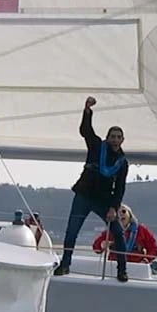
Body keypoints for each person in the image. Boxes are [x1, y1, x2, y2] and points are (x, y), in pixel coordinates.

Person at [57, 96, 130, 282]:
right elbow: (85, 131)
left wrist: (114, 207)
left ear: (122, 140)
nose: (115, 140)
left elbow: (120, 188)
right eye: (112, 136)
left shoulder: (122, 163)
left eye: (118, 137)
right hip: (83, 195)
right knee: (72, 231)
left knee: (118, 233)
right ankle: (65, 264)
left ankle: (122, 270)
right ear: (107, 138)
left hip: (104, 201)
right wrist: (88, 111)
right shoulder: (97, 146)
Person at [92, 204, 157, 264]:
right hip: (115, 264)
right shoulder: (111, 230)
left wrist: (146, 259)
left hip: (137, 265)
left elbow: (154, 248)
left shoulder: (142, 230)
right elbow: (96, 247)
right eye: (118, 212)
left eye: (123, 211)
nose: (121, 214)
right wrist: (102, 245)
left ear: (130, 215)